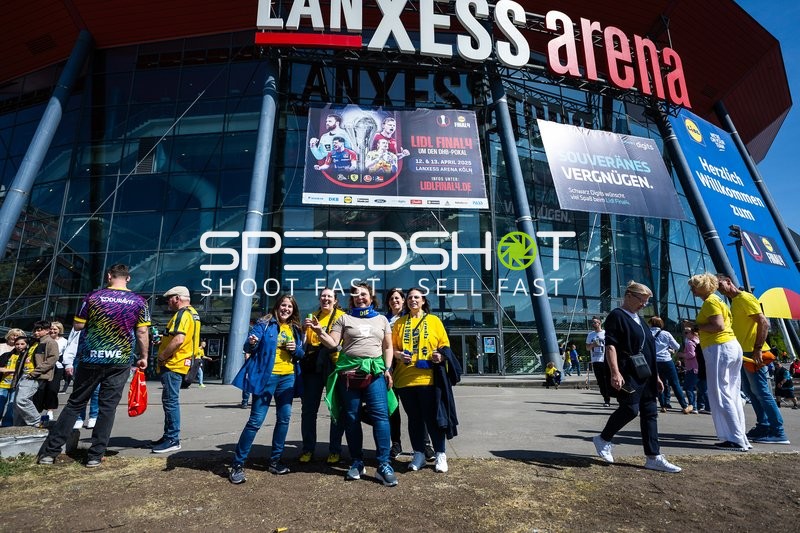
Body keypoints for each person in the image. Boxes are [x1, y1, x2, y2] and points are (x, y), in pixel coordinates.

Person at [37, 264, 150, 467]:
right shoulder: (139, 302)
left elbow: (79, 325)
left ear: (109, 276)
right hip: (119, 358)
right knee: (108, 407)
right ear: (128, 279)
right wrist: (144, 356)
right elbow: (142, 332)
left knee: (75, 403)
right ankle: (95, 456)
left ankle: (49, 452)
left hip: (91, 357)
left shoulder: (93, 297)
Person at [311, 282, 399, 487]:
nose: (360, 297)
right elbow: (333, 343)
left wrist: (387, 369)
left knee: (381, 416)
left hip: (375, 374)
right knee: (351, 417)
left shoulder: (381, 319)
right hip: (348, 375)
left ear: (371, 297)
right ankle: (357, 461)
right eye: (356, 295)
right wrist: (319, 331)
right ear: (352, 299)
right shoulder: (343, 318)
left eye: (364, 294)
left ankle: (384, 464)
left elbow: (387, 347)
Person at [591, 281, 681, 473]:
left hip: (646, 373)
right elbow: (611, 346)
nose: (644, 305)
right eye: (642, 300)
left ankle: (653, 456)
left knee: (650, 413)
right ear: (629, 296)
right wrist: (615, 371)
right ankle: (603, 439)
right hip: (628, 371)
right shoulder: (617, 315)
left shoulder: (640, 320)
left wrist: (656, 377)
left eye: (647, 302)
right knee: (630, 409)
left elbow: (649, 349)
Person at [228, 294, 305, 484]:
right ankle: (237, 464)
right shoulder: (265, 323)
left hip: (288, 378)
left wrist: (296, 349)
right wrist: (252, 342)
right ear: (277, 306)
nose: (286, 309)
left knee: (284, 419)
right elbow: (248, 345)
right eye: (283, 305)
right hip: (266, 377)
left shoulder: (295, 328)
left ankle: (275, 461)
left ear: (293, 310)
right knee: (255, 421)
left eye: (290, 306)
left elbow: (302, 354)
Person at [392, 288, 458, 473]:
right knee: (414, 419)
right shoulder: (399, 323)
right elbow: (393, 349)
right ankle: (419, 454)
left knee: (433, 418)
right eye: (410, 298)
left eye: (416, 297)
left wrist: (440, 356)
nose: (413, 300)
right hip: (405, 380)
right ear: (406, 302)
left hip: (428, 379)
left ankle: (440, 454)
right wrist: (399, 355)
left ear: (423, 301)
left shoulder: (434, 320)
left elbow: (445, 346)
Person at [716, 273, 789, 444]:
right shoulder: (735, 302)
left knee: (762, 392)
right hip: (745, 354)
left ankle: (778, 431)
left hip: (753, 353)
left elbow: (764, 323)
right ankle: (763, 425)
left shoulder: (744, 298)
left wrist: (757, 349)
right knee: (752, 392)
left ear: (728, 281)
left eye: (719, 284)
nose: (718, 288)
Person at [688, 273, 749, 452]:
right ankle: (738, 436)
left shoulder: (710, 302)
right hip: (729, 346)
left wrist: (695, 327)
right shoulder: (718, 301)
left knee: (721, 392)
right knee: (732, 392)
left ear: (703, 287)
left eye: (694, 286)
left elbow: (718, 326)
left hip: (719, 348)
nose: (692, 289)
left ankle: (736, 438)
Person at [298, 288, 346, 465]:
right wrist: (304, 330)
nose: (325, 299)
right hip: (313, 366)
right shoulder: (312, 316)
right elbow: (305, 343)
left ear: (335, 300)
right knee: (309, 410)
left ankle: (335, 450)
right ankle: (308, 449)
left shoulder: (342, 316)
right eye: (323, 296)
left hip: (334, 365)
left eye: (329, 297)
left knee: (336, 409)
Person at [153, 286, 201, 454]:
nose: (168, 302)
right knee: (170, 400)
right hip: (182, 363)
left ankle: (172, 438)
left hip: (174, 364)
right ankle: (168, 436)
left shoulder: (181, 314)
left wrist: (162, 357)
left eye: (170, 298)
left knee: (170, 401)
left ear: (177, 299)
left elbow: (179, 339)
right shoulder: (193, 314)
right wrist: (163, 342)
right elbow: (183, 339)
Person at [14, 320, 59, 427]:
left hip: (34, 376)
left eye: (39, 330)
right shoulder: (35, 342)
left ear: (47, 331)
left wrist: (35, 373)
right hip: (24, 375)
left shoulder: (50, 342)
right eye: (35, 330)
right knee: (17, 404)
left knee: (22, 400)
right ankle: (19, 426)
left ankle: (37, 422)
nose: (36, 332)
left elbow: (52, 359)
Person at [648, 317, 692, 414]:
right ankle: (684, 406)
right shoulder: (666, 334)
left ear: (651, 324)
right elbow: (677, 346)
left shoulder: (648, 333)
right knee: (675, 383)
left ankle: (663, 405)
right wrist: (668, 349)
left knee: (660, 383)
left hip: (654, 361)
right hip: (666, 361)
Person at [0, 335, 27, 426]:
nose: (19, 346)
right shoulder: (7, 355)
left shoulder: (26, 357)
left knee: (11, 406)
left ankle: (6, 424)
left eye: (22, 344)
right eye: (17, 344)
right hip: (3, 383)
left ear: (26, 345)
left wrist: (9, 370)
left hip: (16, 384)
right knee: (0, 404)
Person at [586, 317, 611, 406]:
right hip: (595, 360)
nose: (594, 324)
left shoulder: (605, 333)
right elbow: (587, 347)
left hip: (606, 359)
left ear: (600, 323)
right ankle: (606, 399)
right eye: (592, 322)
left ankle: (615, 396)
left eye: (595, 322)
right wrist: (593, 344)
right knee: (600, 381)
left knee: (608, 379)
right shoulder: (590, 335)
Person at [680, 325, 700, 413]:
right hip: (698, 367)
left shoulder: (689, 343)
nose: (685, 334)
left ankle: (693, 406)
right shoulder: (698, 341)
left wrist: (681, 355)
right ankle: (700, 406)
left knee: (688, 387)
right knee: (700, 388)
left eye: (686, 332)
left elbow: (691, 355)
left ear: (692, 333)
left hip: (691, 367)